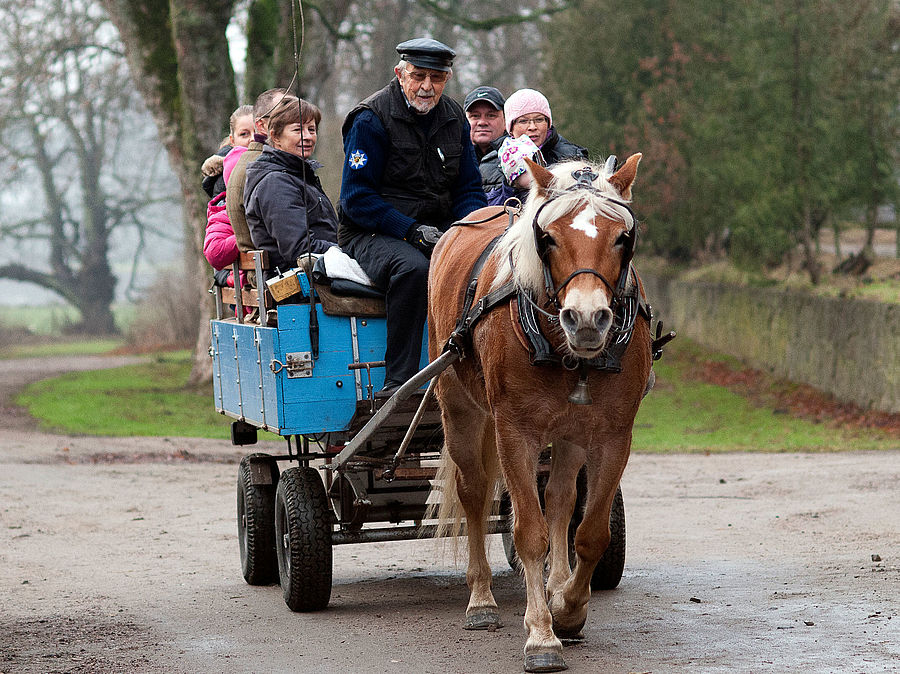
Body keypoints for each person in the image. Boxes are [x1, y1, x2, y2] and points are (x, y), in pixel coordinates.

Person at [338, 37, 487, 397]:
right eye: (418, 76)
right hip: (370, 233)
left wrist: (470, 232)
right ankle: (400, 381)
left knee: (484, 266)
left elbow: (468, 190)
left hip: (438, 230)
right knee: (414, 269)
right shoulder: (370, 119)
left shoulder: (455, 119)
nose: (426, 87)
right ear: (400, 74)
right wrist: (409, 230)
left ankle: (470, 378)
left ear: (446, 79)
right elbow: (356, 198)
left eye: (436, 78)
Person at [243, 97, 338, 286]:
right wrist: (348, 251)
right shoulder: (276, 183)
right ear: (275, 136)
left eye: (311, 129)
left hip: (320, 273)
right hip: (302, 285)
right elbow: (300, 248)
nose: (308, 136)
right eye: (297, 130)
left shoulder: (296, 174)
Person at [226, 88, 295, 260]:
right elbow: (293, 242)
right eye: (284, 111)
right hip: (279, 272)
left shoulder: (275, 162)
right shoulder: (264, 168)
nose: (294, 117)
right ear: (262, 125)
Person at [503, 88, 587, 165]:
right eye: (523, 121)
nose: (532, 127)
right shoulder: (499, 161)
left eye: (539, 120)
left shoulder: (571, 159)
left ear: (548, 124)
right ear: (511, 129)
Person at [201, 105, 254, 199]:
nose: (253, 138)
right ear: (232, 140)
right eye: (244, 134)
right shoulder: (227, 174)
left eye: (257, 131)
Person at [464, 86, 506, 192]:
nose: (482, 122)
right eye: (475, 116)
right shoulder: (453, 157)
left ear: (505, 121)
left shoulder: (518, 157)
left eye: (491, 115)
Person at [485, 134, 545, 206]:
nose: (535, 174)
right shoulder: (495, 201)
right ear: (514, 177)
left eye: (539, 167)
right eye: (527, 170)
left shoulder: (546, 196)